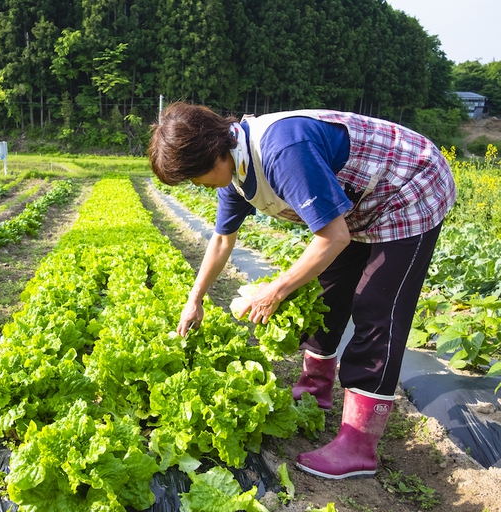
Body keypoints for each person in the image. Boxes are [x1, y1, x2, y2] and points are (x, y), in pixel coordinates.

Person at [147, 102, 456, 480]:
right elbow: (222, 240)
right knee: (326, 294)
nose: (197, 185)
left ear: (214, 153)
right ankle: (316, 389)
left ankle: (359, 444)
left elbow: (334, 235)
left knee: (377, 308)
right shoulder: (234, 168)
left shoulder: (281, 152)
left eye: (195, 177)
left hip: (408, 186)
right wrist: (194, 301)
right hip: (359, 204)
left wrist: (276, 289)